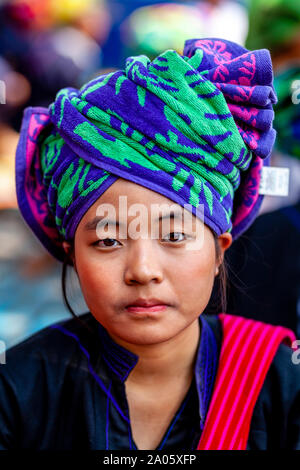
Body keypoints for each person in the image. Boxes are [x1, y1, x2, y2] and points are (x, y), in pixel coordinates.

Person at [1, 38, 299, 450]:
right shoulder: (17, 389)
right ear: (71, 253)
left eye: (174, 235)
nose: (142, 270)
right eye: (108, 240)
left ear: (220, 250)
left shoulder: (281, 381)